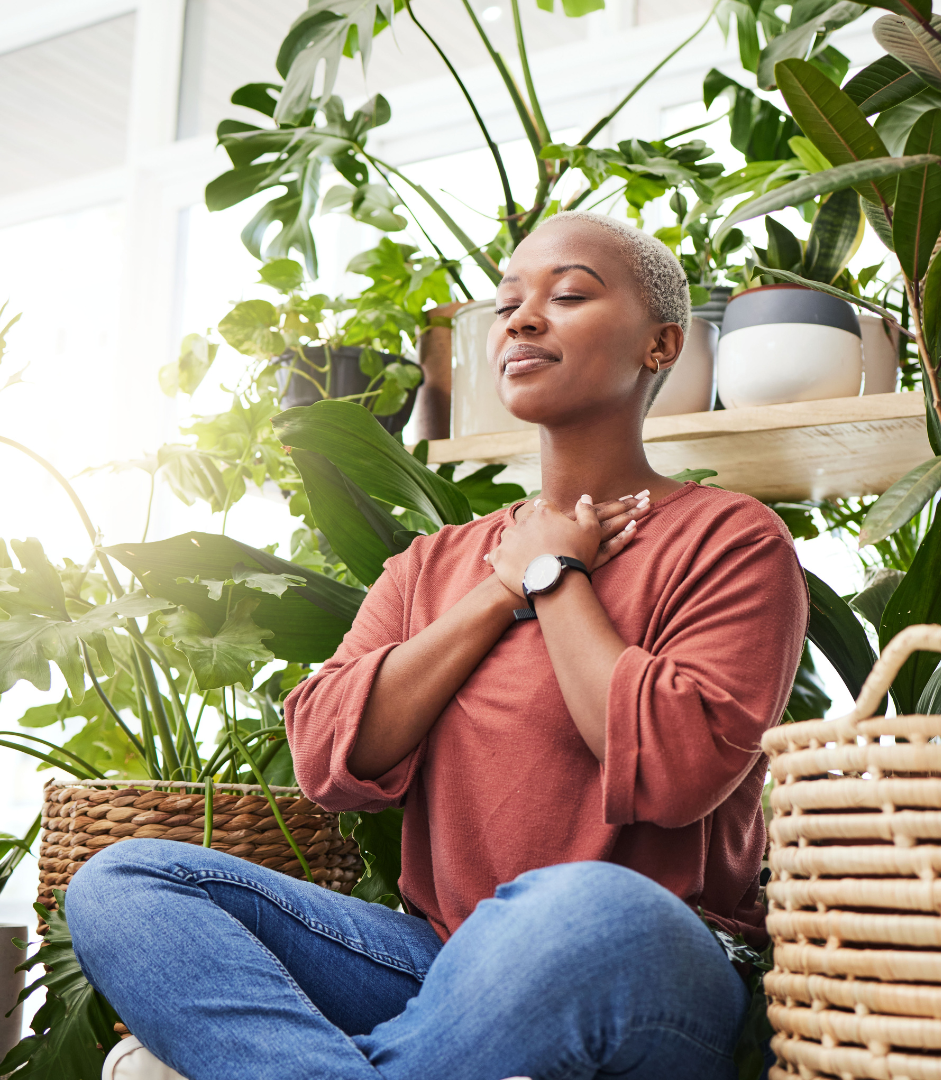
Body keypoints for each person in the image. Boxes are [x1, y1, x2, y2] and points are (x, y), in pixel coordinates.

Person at [67, 211, 808, 1080]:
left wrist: (557, 579)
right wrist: (503, 585)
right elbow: (327, 754)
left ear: (660, 344)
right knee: (126, 883)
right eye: (507, 305)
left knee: (589, 907)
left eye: (568, 295)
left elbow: (673, 771)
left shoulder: (730, 539)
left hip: (643, 954)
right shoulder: (432, 567)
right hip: (437, 964)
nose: (523, 320)